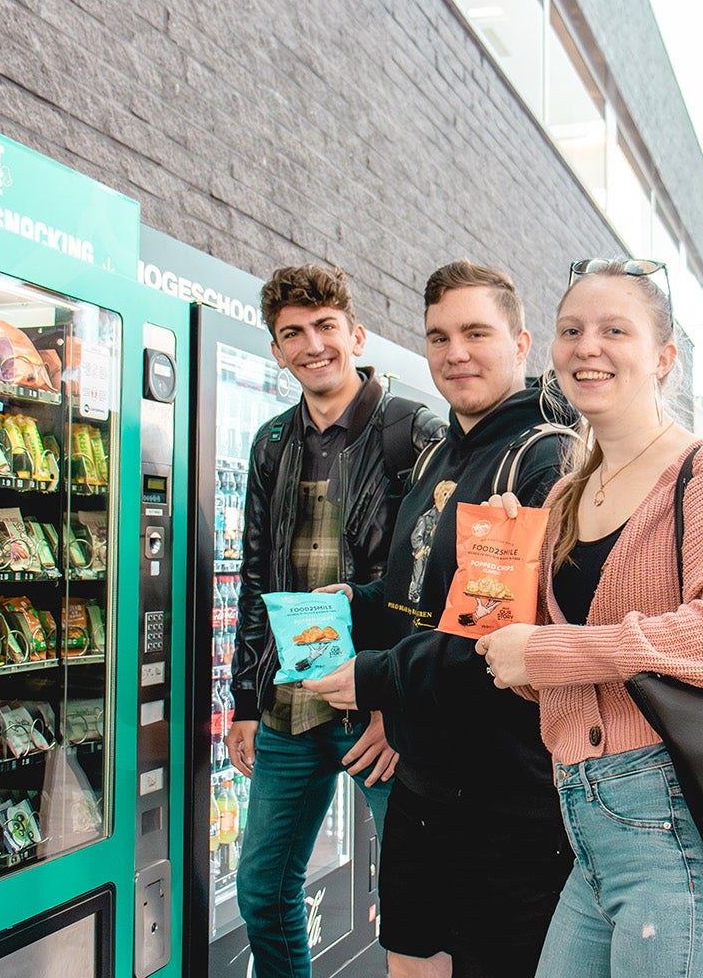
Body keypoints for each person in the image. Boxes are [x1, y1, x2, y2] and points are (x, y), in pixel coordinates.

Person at [476, 257, 703, 978]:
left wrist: (548, 652)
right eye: (571, 330)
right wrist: (500, 588)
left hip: (686, 826)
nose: (587, 346)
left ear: (663, 356)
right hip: (588, 833)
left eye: (614, 329)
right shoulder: (561, 499)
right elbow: (542, 675)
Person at [303, 260, 573, 978]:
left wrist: (374, 680)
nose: (455, 353)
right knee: (410, 965)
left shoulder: (542, 463)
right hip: (422, 789)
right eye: (439, 336)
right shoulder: (437, 455)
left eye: (476, 333)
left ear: (520, 344)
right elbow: (417, 588)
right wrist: (355, 602)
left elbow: (491, 640)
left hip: (509, 803)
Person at [226, 263, 444, 978]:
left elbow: (436, 581)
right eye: (293, 333)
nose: (312, 344)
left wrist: (398, 703)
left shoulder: (413, 433)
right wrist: (245, 703)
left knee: (420, 895)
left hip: (378, 701)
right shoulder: (270, 443)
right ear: (276, 349)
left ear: (355, 333)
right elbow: (258, 577)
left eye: (325, 327)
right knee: (262, 889)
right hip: (293, 698)